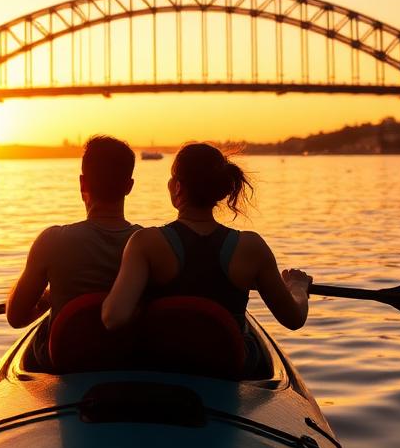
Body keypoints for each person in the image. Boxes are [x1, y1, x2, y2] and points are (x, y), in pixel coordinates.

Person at [101, 142, 311, 375]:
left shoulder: (145, 243)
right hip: (229, 368)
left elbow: (113, 317)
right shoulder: (252, 247)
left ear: (177, 187)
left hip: (163, 364)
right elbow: (294, 318)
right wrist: (298, 287)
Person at [6, 135, 140, 368]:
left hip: (64, 362)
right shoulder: (152, 244)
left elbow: (16, 318)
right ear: (129, 186)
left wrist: (47, 300)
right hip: (129, 357)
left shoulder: (52, 241)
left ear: (82, 183)